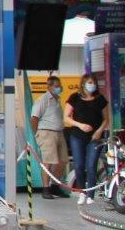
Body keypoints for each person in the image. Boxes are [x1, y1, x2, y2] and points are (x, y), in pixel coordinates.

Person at [65, 73, 109, 204]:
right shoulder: (74, 98)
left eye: (94, 83)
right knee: (79, 165)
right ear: (83, 84)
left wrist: (99, 131)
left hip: (95, 138)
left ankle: (90, 194)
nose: (92, 85)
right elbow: (66, 117)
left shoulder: (100, 99)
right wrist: (80, 125)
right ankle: (82, 192)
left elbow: (106, 119)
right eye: (90, 82)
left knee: (91, 165)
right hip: (77, 136)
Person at [30, 76, 69, 199]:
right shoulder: (43, 100)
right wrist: (37, 134)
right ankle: (46, 188)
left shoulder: (57, 99)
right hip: (47, 132)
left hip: (59, 132)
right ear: (49, 87)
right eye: (57, 86)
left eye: (59, 85)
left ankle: (55, 186)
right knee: (48, 161)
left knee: (62, 161)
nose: (59, 88)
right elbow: (34, 118)